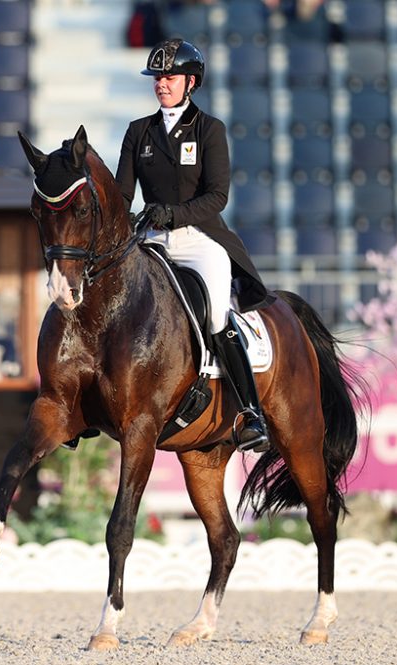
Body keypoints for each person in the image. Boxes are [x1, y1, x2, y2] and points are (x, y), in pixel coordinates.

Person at [115, 38, 275, 452]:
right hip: (150, 240)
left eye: (168, 77)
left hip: (198, 240)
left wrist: (173, 214)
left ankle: (249, 412)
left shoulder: (209, 130)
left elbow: (217, 196)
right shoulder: (138, 132)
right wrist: (123, 218)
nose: (161, 84)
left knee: (219, 316)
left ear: (190, 81)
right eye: (157, 78)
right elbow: (121, 193)